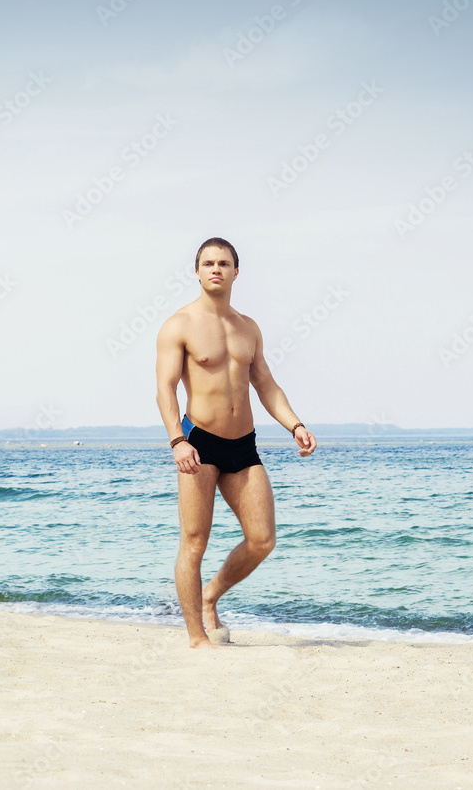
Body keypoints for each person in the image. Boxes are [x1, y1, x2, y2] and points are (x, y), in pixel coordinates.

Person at [155, 237, 317, 649]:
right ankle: (196, 637)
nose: (215, 269)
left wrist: (294, 424)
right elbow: (165, 388)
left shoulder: (249, 328)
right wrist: (177, 440)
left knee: (262, 539)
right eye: (208, 262)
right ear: (196, 271)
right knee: (194, 541)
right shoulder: (179, 325)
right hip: (199, 442)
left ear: (235, 272)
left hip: (244, 445)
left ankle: (211, 594)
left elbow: (264, 383)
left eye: (223, 263)